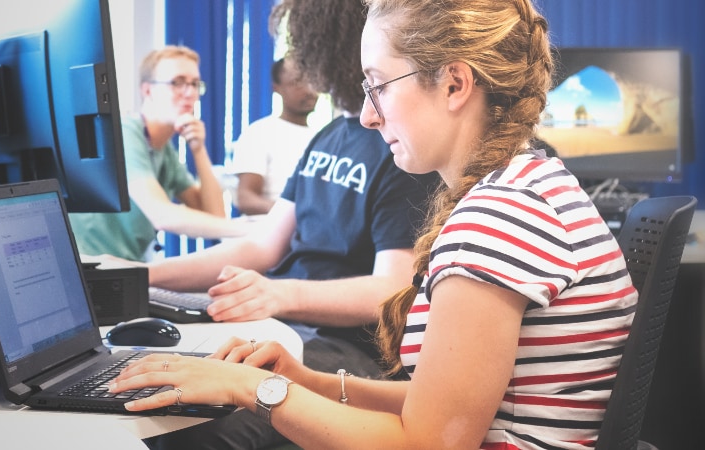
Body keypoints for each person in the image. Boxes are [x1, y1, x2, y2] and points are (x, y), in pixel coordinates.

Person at [109, 0, 639, 448]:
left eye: (379, 86)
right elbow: (439, 405)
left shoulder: (498, 219)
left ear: (454, 83)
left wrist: (252, 391)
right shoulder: (529, 184)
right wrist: (304, 380)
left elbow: (425, 441)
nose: (367, 115)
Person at [69, 45, 248, 262]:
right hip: (92, 269)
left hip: (126, 266)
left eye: (194, 84)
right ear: (148, 91)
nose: (190, 93)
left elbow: (214, 216)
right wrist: (249, 229)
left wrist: (199, 149)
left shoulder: (165, 150)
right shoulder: (123, 133)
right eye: (177, 82)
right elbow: (162, 215)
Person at [231, 57, 319, 215]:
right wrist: (296, 215)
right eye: (297, 83)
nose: (308, 90)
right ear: (276, 88)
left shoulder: (323, 137)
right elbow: (246, 198)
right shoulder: (259, 133)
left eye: (312, 81)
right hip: (270, 230)